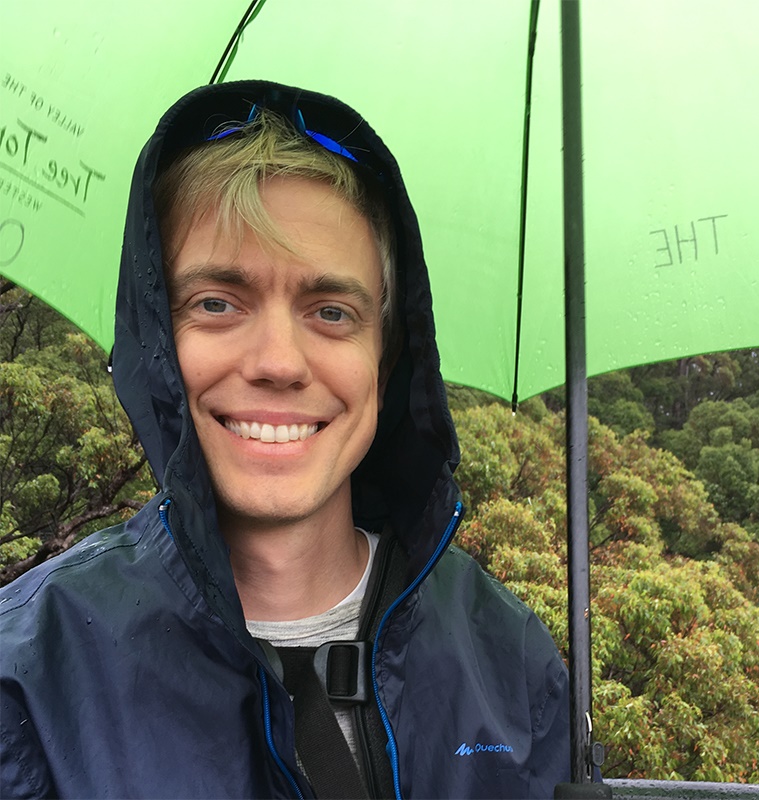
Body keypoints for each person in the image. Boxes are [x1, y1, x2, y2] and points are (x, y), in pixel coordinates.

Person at [0, 80, 570, 799]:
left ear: (387, 360)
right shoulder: (29, 681)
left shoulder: (510, 665)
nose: (277, 362)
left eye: (331, 311)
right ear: (158, 343)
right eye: (216, 303)